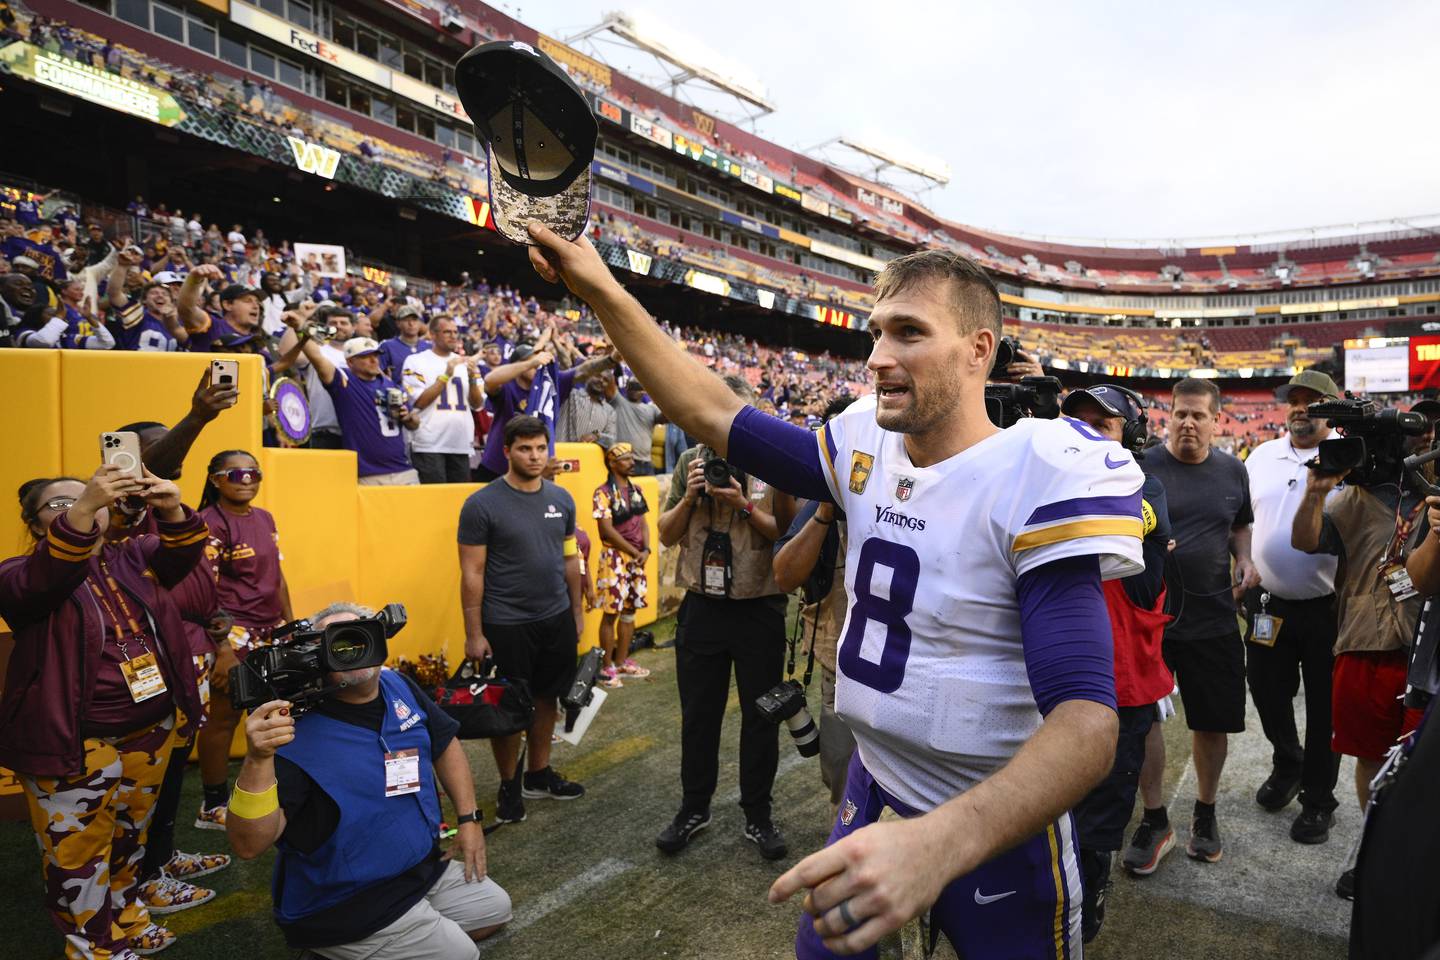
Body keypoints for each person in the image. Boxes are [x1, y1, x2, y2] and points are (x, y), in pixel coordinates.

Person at [526, 226, 1142, 956]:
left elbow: (1086, 726)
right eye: (877, 333)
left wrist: (939, 842)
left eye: (910, 333)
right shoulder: (861, 441)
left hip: (1000, 822)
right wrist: (600, 286)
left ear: (980, 350)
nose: (879, 357)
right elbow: (713, 415)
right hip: (875, 783)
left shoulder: (1041, 469)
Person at [1, 465, 209, 958]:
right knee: (76, 857)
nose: (85, 503)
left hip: (148, 730)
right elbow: (46, 576)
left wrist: (171, 507)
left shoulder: (131, 555)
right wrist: (86, 505)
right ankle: (96, 948)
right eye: (61, 503)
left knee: (128, 837)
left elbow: (184, 552)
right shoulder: (17, 574)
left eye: (92, 495)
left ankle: (127, 917)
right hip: (73, 740)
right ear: (35, 525)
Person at [226, 603, 512, 959]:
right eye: (339, 643)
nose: (353, 649)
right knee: (461, 955)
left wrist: (469, 819)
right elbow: (248, 845)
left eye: (361, 635)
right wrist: (257, 759)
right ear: (319, 656)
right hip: (344, 901)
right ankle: (334, 946)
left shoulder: (397, 685)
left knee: (496, 909)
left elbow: (444, 741)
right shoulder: (291, 733)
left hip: (417, 871)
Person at [649, 373, 791, 861]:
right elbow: (665, 535)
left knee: (762, 718)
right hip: (702, 608)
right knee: (698, 717)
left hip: (759, 607)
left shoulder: (771, 463)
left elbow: (785, 534)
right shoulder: (691, 462)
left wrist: (743, 505)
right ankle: (694, 808)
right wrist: (690, 498)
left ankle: (758, 813)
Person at [1293, 400, 1432, 899]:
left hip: (1428, 650)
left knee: (1424, 771)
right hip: (1367, 644)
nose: (1423, 441)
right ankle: (1377, 847)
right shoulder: (1350, 501)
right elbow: (1305, 541)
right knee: (1371, 758)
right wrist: (1314, 493)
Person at [1058, 385, 1176, 942]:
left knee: (1097, 819)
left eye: (1101, 425)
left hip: (1120, 685)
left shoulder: (1144, 485)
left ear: (1131, 435)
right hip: (1056, 679)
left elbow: (1126, 516)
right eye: (1074, 422)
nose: (1084, 433)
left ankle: (1086, 912)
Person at [1135, 377, 1259, 867]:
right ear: (1169, 414)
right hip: (1152, 620)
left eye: (1199, 415)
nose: (1188, 422)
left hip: (1214, 619)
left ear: (1216, 419)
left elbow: (1239, 524)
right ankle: (1153, 817)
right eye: (1180, 413)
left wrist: (1245, 560)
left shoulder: (1233, 471)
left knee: (1212, 722)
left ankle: (1205, 812)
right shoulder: (1143, 466)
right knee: (1146, 720)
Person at [457, 416, 587, 823]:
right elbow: (472, 573)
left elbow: (570, 558)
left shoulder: (562, 499)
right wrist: (473, 633)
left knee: (548, 696)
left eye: (540, 448)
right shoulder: (481, 504)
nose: (534, 456)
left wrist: (577, 610)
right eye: (524, 448)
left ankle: (538, 773)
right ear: (507, 451)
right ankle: (509, 783)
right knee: (508, 709)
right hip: (506, 623)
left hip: (555, 617)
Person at [1240, 370, 1343, 844]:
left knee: (1325, 711)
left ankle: (1319, 800)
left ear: (1332, 406)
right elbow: (1244, 519)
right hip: (1268, 602)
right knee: (1265, 689)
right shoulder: (1260, 455)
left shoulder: (1349, 457)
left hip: (1328, 608)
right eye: (1294, 401)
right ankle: (1289, 763)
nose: (1301, 409)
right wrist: (1242, 561)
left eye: (1312, 401)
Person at [193, 450, 294, 830]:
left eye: (254, 472)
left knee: (276, 712)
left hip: (271, 632)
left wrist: (292, 625)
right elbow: (204, 592)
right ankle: (212, 805)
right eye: (236, 473)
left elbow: (278, 577)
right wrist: (222, 651)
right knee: (222, 719)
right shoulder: (208, 524)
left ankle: (265, 790)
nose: (247, 479)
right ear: (216, 479)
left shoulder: (265, 518)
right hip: (231, 636)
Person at [772, 396, 858, 813]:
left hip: (901, 665)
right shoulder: (821, 502)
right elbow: (785, 575)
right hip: (838, 661)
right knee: (840, 771)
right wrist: (825, 512)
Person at [287, 318, 422, 483]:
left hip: (403, 469)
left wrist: (410, 419)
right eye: (366, 356)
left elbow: (413, 424)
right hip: (369, 473)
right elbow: (317, 358)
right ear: (350, 362)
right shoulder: (345, 382)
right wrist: (300, 326)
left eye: (376, 355)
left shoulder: (391, 384)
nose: (374, 360)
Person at [592, 441, 652, 688]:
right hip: (615, 558)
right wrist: (633, 550)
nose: (632, 462)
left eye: (631, 457)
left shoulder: (636, 489)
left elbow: (644, 522)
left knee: (629, 611)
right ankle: (608, 667)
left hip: (637, 558)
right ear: (612, 463)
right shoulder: (602, 492)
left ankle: (623, 661)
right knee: (610, 613)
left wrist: (646, 549)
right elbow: (605, 529)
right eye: (626, 459)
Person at [403, 316, 482, 484]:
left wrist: (473, 378)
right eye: (447, 332)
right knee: (433, 500)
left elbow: (477, 404)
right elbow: (419, 402)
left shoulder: (465, 363)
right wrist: (446, 375)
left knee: (458, 501)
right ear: (432, 335)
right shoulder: (415, 361)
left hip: (460, 442)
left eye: (455, 332)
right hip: (429, 442)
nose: (453, 336)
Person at [610, 376, 662, 475]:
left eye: (637, 387)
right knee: (626, 490)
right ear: (626, 389)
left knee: (648, 490)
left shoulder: (651, 409)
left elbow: (665, 418)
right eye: (631, 386)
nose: (634, 390)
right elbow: (609, 385)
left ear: (644, 391)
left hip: (646, 463)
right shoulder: (619, 402)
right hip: (624, 461)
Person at [557, 367, 617, 443]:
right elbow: (564, 376)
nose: (601, 381)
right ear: (588, 376)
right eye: (598, 376)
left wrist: (597, 436)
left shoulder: (609, 411)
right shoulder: (570, 395)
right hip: (562, 453)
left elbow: (612, 438)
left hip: (589, 455)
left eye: (606, 380)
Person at [379, 304, 431, 381]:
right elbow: (377, 371)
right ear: (398, 323)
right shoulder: (387, 346)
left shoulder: (429, 346)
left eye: (414, 320)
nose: (411, 324)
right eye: (406, 320)